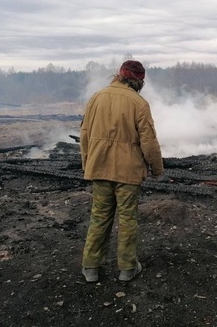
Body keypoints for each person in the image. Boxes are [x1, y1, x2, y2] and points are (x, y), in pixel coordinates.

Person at [80, 60, 163, 283]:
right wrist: (157, 168)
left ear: (119, 75)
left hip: (99, 169)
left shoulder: (96, 98)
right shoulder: (139, 103)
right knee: (127, 219)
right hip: (128, 173)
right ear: (138, 81)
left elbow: (85, 135)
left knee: (99, 217)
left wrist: (88, 162)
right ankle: (127, 269)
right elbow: (149, 141)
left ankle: (91, 267)